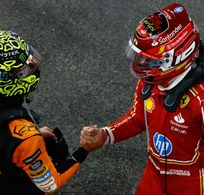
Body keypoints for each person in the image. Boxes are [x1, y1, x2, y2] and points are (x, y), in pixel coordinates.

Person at [80, 3, 204, 195]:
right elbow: (139, 117)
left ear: (177, 57)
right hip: (152, 179)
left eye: (149, 60)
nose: (140, 64)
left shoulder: (200, 100)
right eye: (139, 57)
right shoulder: (149, 83)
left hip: (193, 187)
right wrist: (106, 135)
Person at [0, 30, 94, 195]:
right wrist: (84, 149)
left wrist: (23, 146)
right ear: (3, 83)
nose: (32, 65)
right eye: (20, 70)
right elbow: (50, 184)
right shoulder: (25, 139)